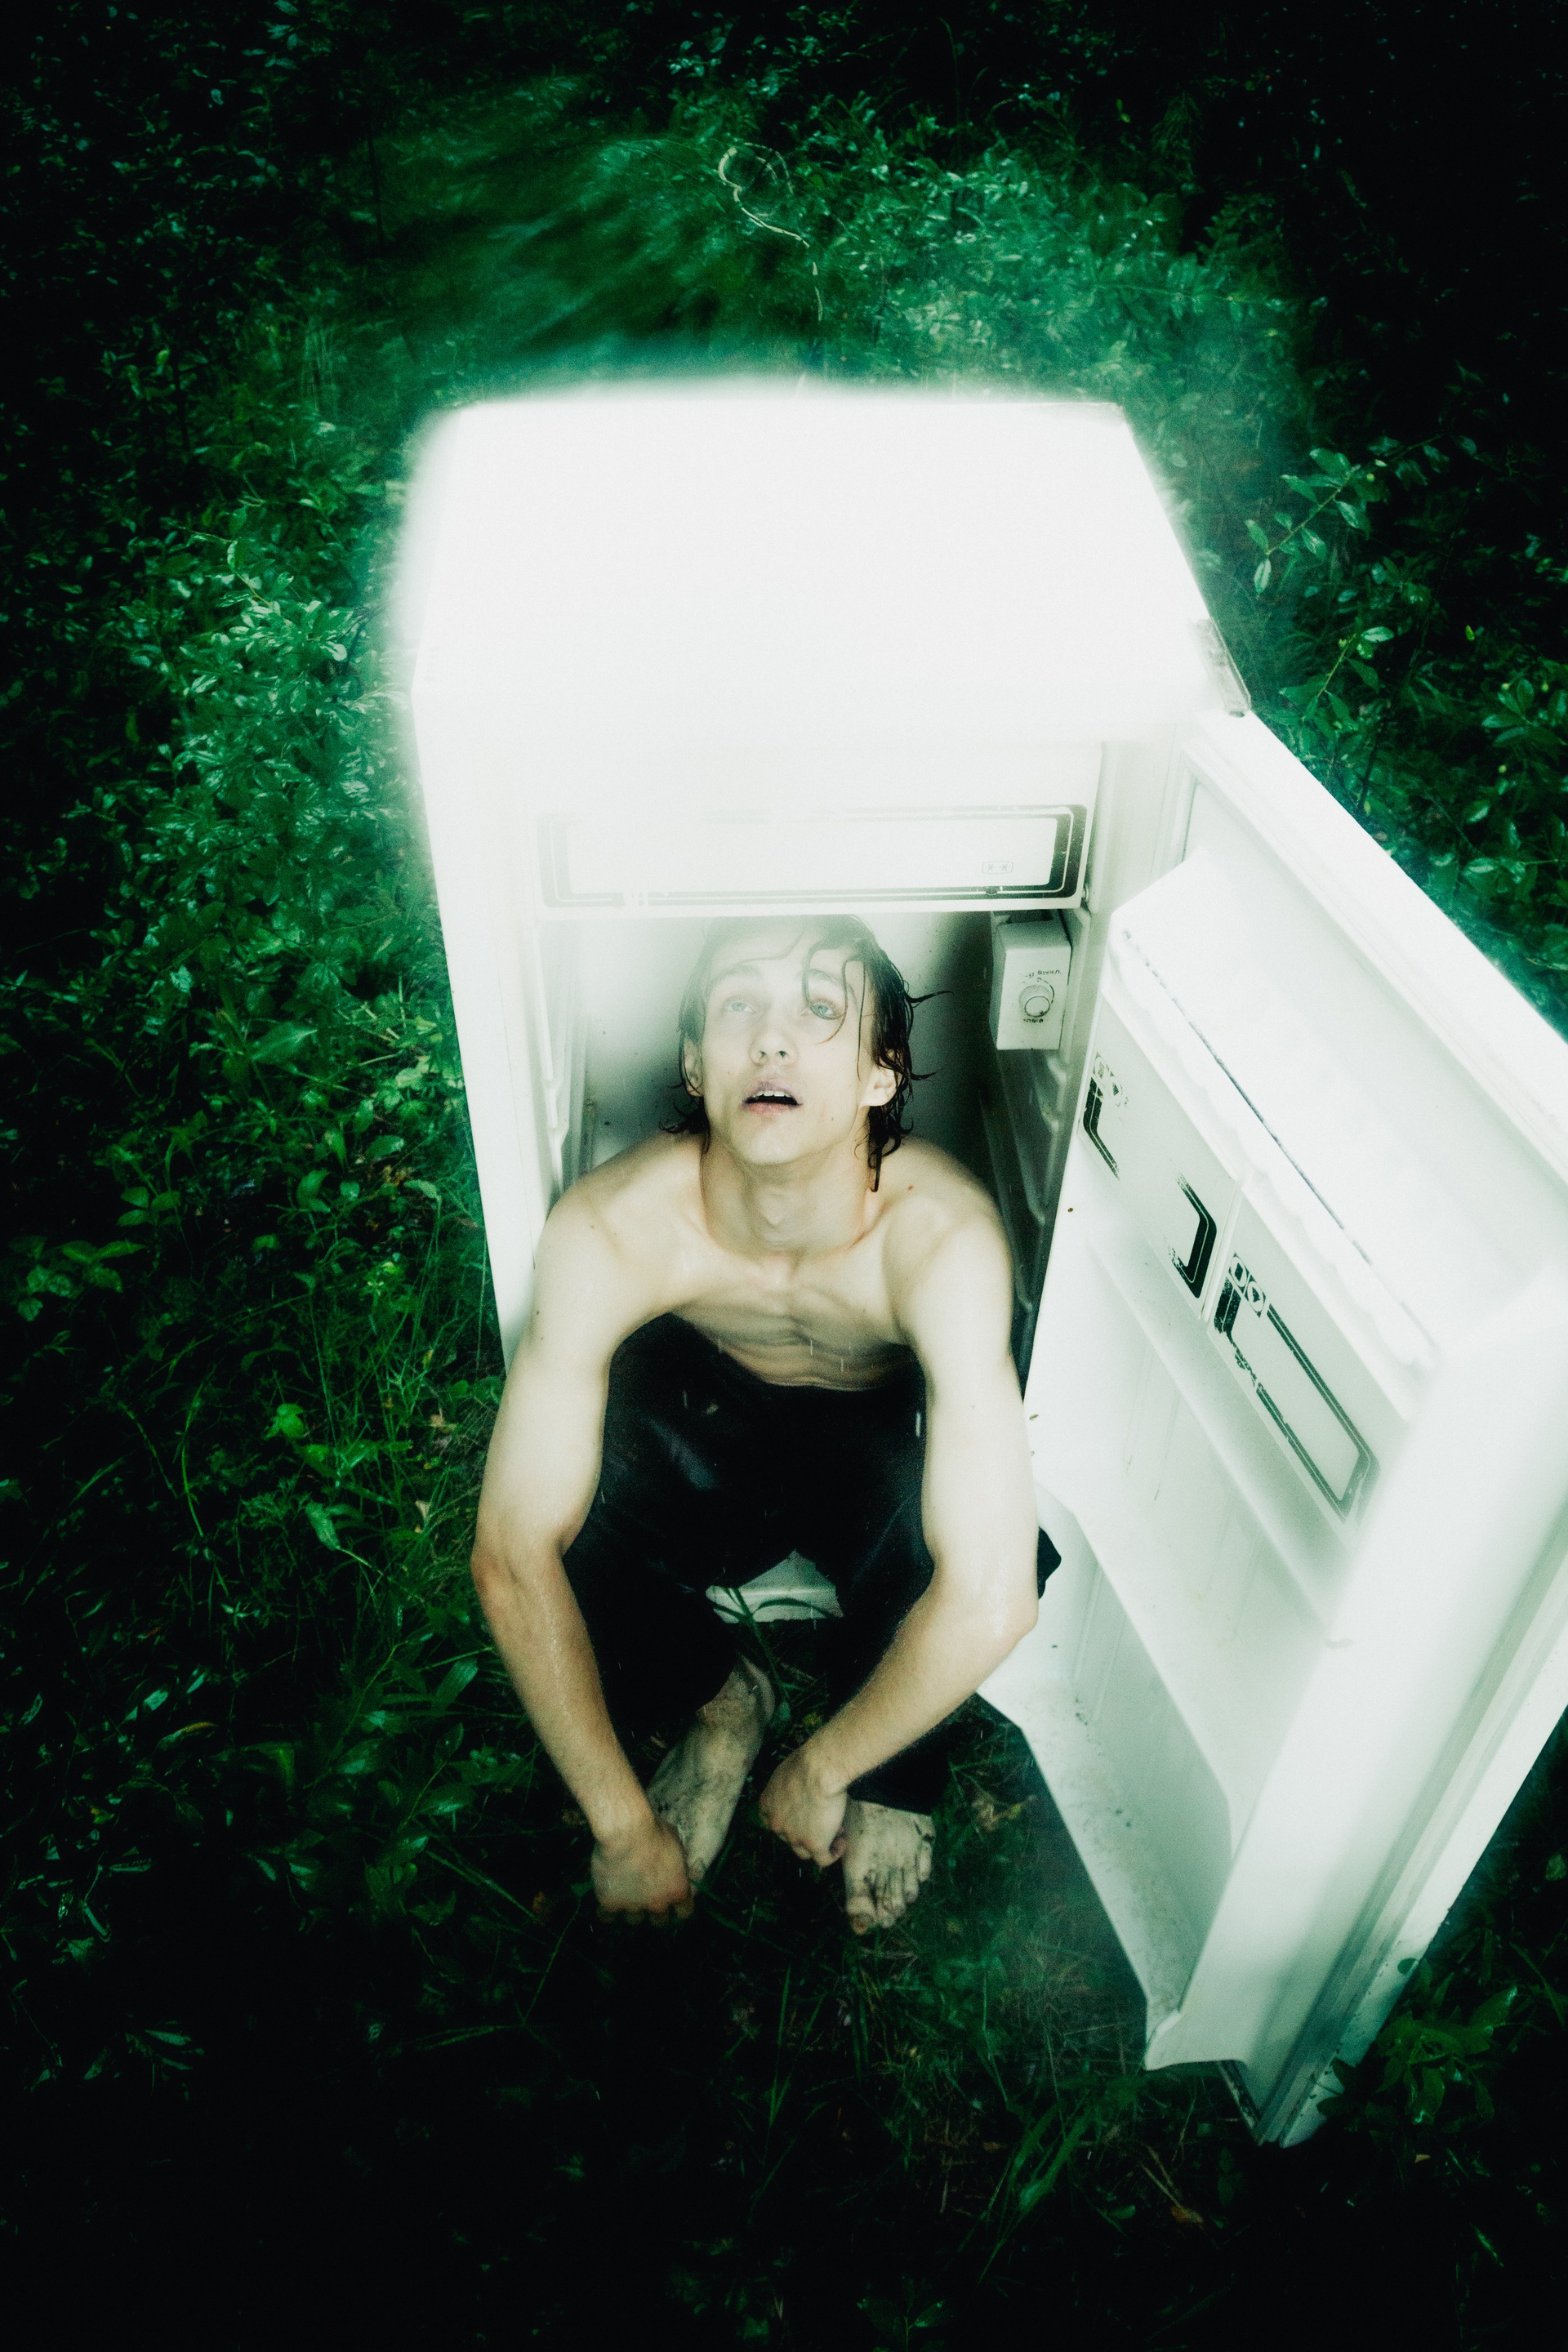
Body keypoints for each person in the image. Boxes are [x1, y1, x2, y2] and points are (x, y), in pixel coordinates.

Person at [470, 915, 1043, 1934]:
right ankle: (725, 1700)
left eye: (820, 1009)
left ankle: (889, 1773)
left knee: (949, 1532)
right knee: (573, 1517)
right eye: (739, 1004)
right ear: (697, 1064)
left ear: (881, 1072)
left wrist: (826, 1768)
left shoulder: (941, 1240)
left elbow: (994, 1595)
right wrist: (622, 1829)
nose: (772, 1039)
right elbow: (512, 1553)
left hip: (868, 1431)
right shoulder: (615, 1226)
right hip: (707, 1409)